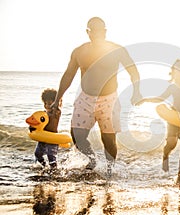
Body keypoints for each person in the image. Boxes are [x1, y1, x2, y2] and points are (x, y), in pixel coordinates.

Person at [51, 17, 142, 172]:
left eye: (102, 30)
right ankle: (92, 160)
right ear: (88, 32)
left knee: (108, 140)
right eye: (95, 31)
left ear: (105, 31)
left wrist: (137, 91)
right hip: (85, 98)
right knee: (76, 135)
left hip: (109, 100)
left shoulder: (117, 50)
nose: (100, 34)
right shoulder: (79, 52)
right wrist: (57, 97)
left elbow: (133, 70)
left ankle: (109, 169)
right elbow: (68, 75)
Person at [139, 59, 180, 186]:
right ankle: (165, 155)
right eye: (177, 72)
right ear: (174, 73)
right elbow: (161, 98)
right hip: (174, 118)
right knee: (171, 143)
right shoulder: (173, 87)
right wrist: (146, 99)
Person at [34, 88, 62, 170]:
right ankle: (44, 165)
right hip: (43, 138)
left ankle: (54, 169)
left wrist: (56, 103)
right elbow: (38, 124)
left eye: (50, 103)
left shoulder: (56, 112)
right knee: (37, 154)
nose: (47, 105)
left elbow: (54, 113)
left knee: (51, 155)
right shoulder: (44, 114)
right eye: (45, 103)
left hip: (52, 138)